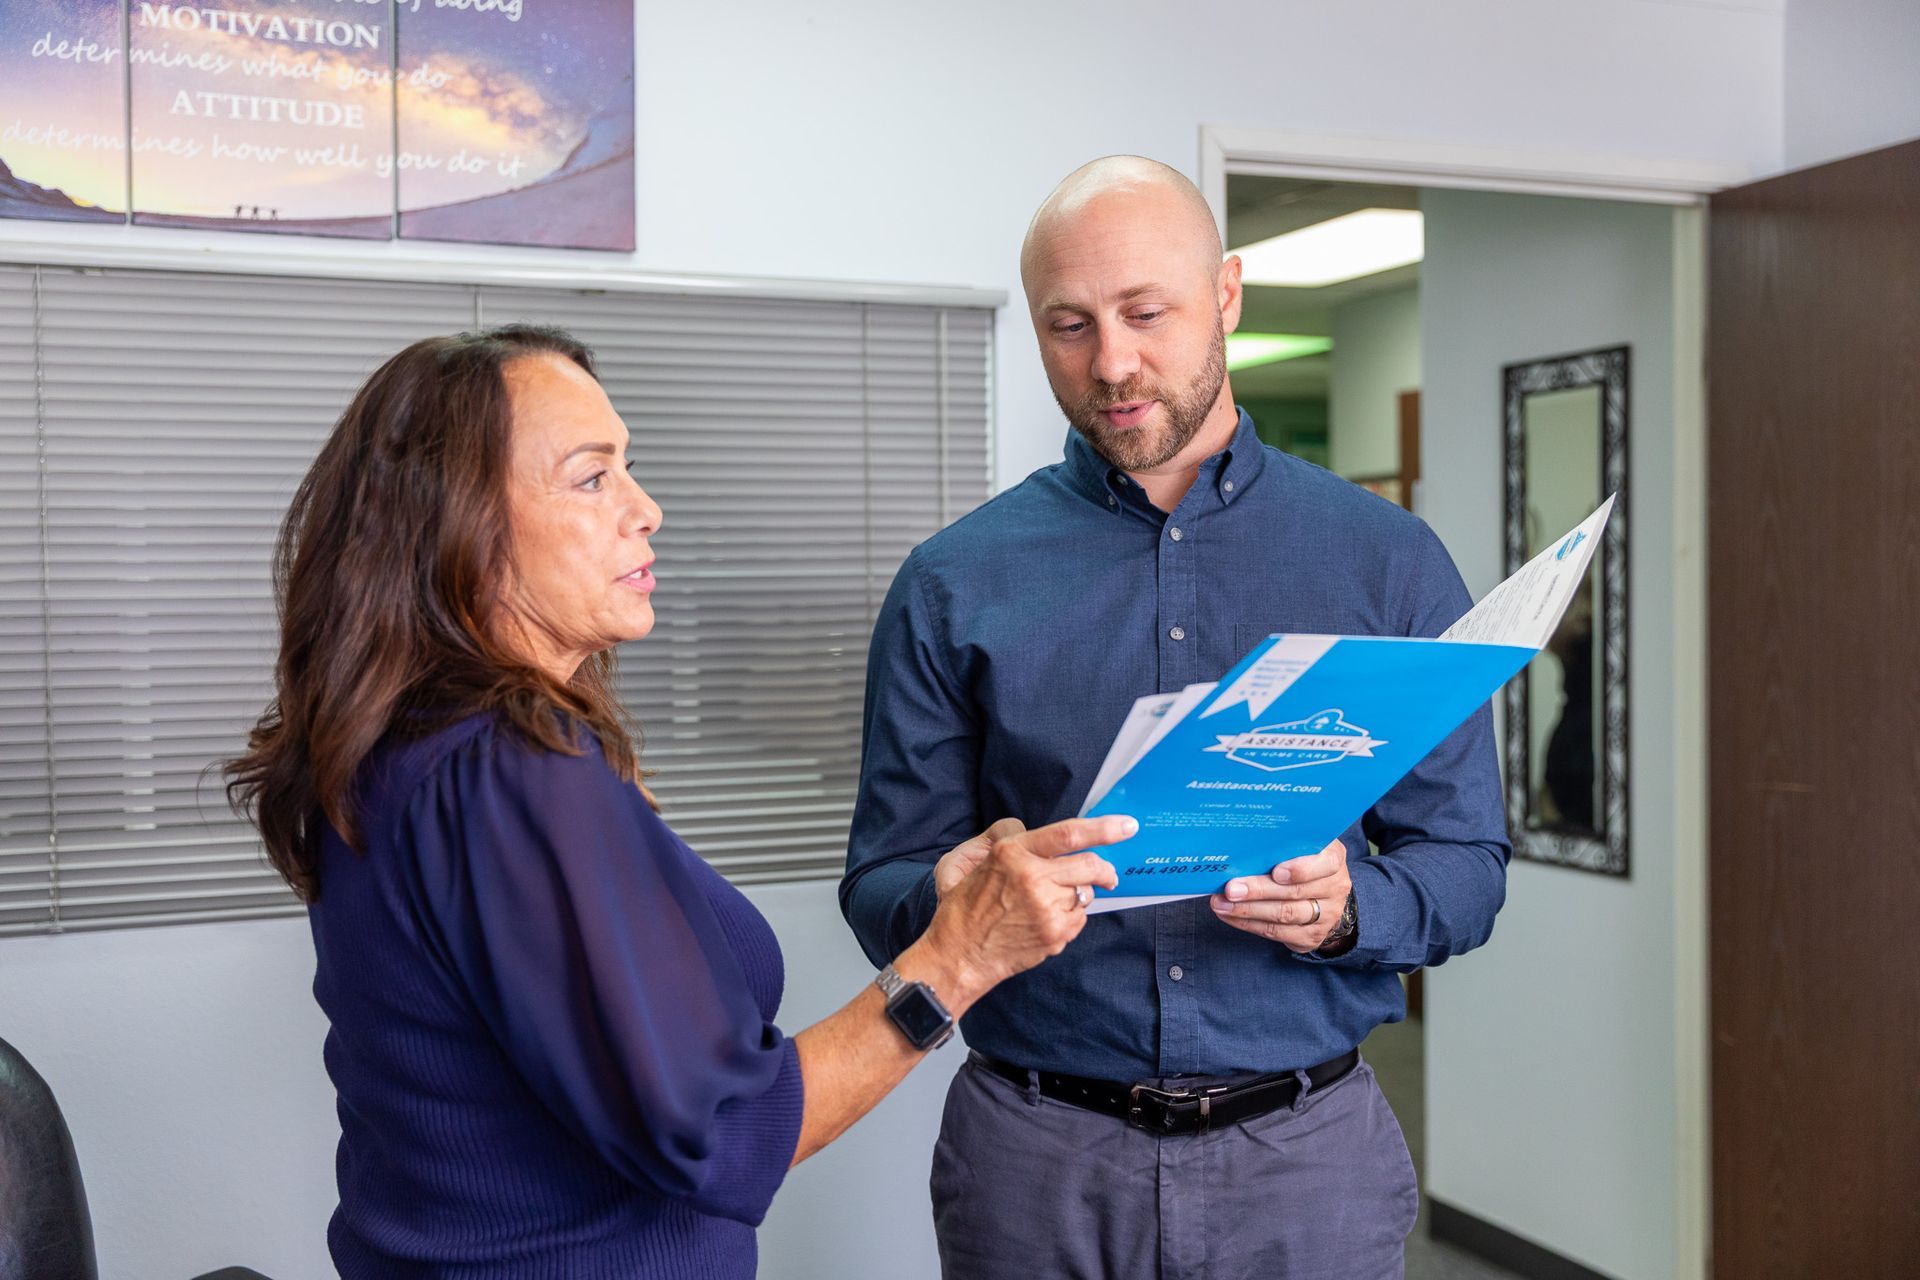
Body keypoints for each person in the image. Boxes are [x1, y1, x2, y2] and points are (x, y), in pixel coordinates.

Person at [224, 324, 1134, 1278]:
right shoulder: (508, 771)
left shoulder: (419, 744)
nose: (645, 509)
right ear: (458, 524)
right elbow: (727, 1136)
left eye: (630, 470)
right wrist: (957, 958)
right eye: (591, 478)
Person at [840, 157, 1510, 1279]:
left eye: (1146, 313)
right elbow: (879, 879)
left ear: (1229, 295)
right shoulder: (953, 581)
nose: (1111, 362)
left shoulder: (1388, 562)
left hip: (1307, 1161)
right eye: (1069, 325)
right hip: (1037, 1160)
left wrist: (1353, 910)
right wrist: (958, 894)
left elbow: (1468, 864)